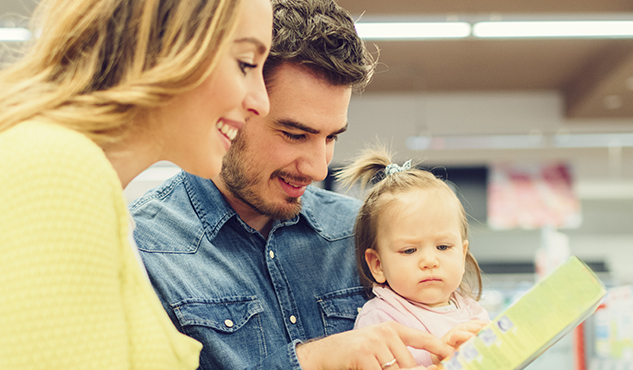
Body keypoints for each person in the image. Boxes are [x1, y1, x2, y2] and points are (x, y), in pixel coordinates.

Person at [129, 0, 453, 369]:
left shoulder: (362, 232)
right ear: (237, 107)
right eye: (296, 135)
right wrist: (309, 361)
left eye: (331, 138)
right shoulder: (144, 251)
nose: (318, 169)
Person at [0, 0, 272, 368]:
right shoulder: (57, 169)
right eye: (245, 63)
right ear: (167, 44)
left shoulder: (90, 187)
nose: (262, 103)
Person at [336, 148, 490, 367]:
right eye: (409, 250)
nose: (429, 261)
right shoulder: (381, 318)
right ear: (378, 265)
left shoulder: (475, 314)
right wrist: (438, 358)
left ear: (463, 254)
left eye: (443, 246)